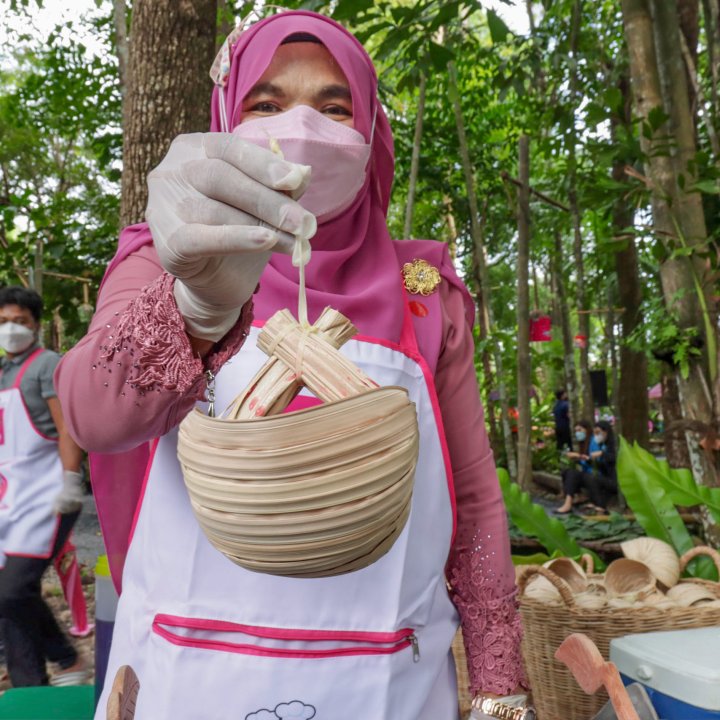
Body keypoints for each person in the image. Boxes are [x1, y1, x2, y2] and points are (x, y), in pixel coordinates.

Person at [56, 11, 529, 719]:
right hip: (190, 674)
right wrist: (196, 306)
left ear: (370, 134)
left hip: (387, 677)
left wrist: (499, 683)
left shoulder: (425, 293)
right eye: (267, 104)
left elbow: (473, 497)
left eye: (334, 107)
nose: (301, 127)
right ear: (225, 118)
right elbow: (93, 412)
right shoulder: (164, 259)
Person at [0, 286, 89, 687]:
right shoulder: (3, 373)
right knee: (7, 597)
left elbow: (68, 427)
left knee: (13, 590)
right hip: (12, 497)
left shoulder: (47, 364)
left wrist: (72, 480)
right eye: (3, 322)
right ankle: (28, 686)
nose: (10, 329)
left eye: (19, 321)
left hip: (49, 494)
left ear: (35, 324)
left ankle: (67, 658)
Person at [556, 419, 617, 515]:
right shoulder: (600, 444)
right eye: (576, 431)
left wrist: (600, 454)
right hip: (597, 474)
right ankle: (568, 502)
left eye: (579, 430)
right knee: (570, 472)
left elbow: (609, 459)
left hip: (610, 478)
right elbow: (594, 462)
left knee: (587, 477)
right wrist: (580, 458)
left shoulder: (608, 445)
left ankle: (599, 505)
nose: (577, 433)